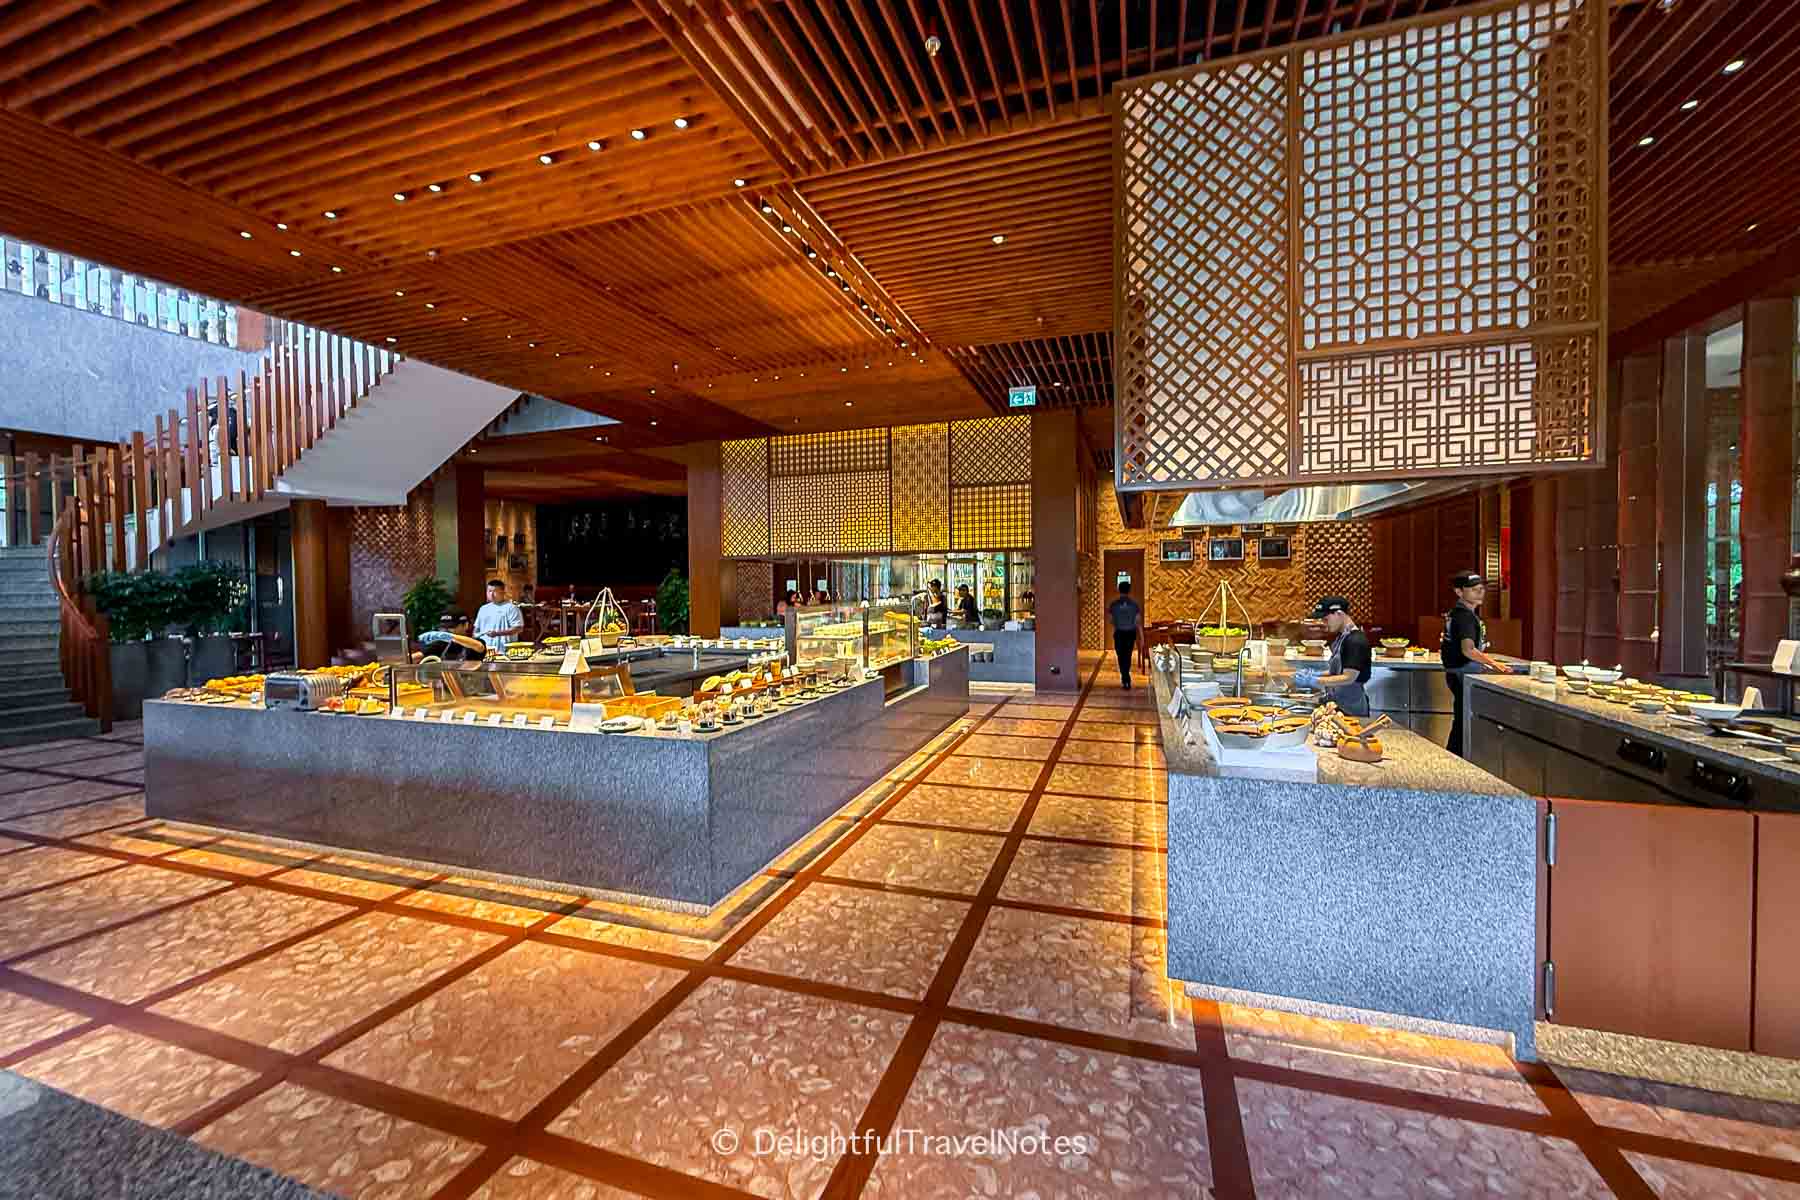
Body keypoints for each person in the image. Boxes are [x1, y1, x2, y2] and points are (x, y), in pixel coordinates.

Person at [1442, 570, 1519, 757]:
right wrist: (1494, 664)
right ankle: (1455, 761)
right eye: (1473, 589)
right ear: (1459, 592)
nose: (1480, 592)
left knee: (1461, 720)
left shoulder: (1457, 614)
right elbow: (1467, 649)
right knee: (1463, 722)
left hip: (1455, 672)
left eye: (1481, 588)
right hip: (1463, 673)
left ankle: (1454, 759)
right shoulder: (1465, 616)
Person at [1294, 597, 1372, 717]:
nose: (1324, 623)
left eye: (1326, 619)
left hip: (1351, 710)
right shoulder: (1342, 637)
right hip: (1338, 705)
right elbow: (1337, 671)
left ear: (1339, 614)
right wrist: (1315, 674)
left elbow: (1348, 677)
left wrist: (1314, 680)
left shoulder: (1356, 641)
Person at [1108, 579, 1144, 689]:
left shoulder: (1113, 605)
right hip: (1130, 633)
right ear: (1129, 590)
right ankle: (1126, 677)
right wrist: (1142, 637)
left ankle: (1125, 678)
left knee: (1120, 656)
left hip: (1119, 633)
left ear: (1119, 590)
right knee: (1128, 655)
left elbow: (1111, 621)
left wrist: (1119, 621)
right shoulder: (1134, 605)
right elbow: (1138, 622)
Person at [473, 579, 523, 655]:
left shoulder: (511, 608)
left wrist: (497, 633)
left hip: (505, 652)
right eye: (489, 591)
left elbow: (518, 629)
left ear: (503, 592)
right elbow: (476, 629)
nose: (491, 594)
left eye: (495, 591)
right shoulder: (483, 609)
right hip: (485, 653)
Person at [416, 612, 487, 662]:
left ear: (466, 625)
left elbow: (479, 646)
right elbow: (419, 656)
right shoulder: (441, 644)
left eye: (451, 627)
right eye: (444, 627)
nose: (447, 630)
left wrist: (451, 637)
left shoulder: (476, 642)